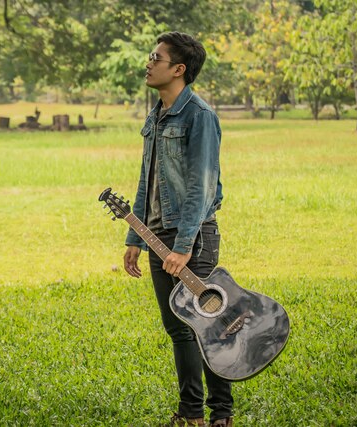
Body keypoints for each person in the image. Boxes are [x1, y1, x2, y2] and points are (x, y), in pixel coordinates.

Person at [123, 32, 233, 427]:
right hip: (157, 235)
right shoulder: (156, 115)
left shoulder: (199, 116)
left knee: (206, 327)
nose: (148, 63)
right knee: (179, 329)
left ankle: (221, 414)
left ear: (179, 69)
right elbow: (145, 180)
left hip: (192, 237)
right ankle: (191, 415)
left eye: (157, 57)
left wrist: (184, 245)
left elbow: (201, 187)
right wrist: (135, 236)